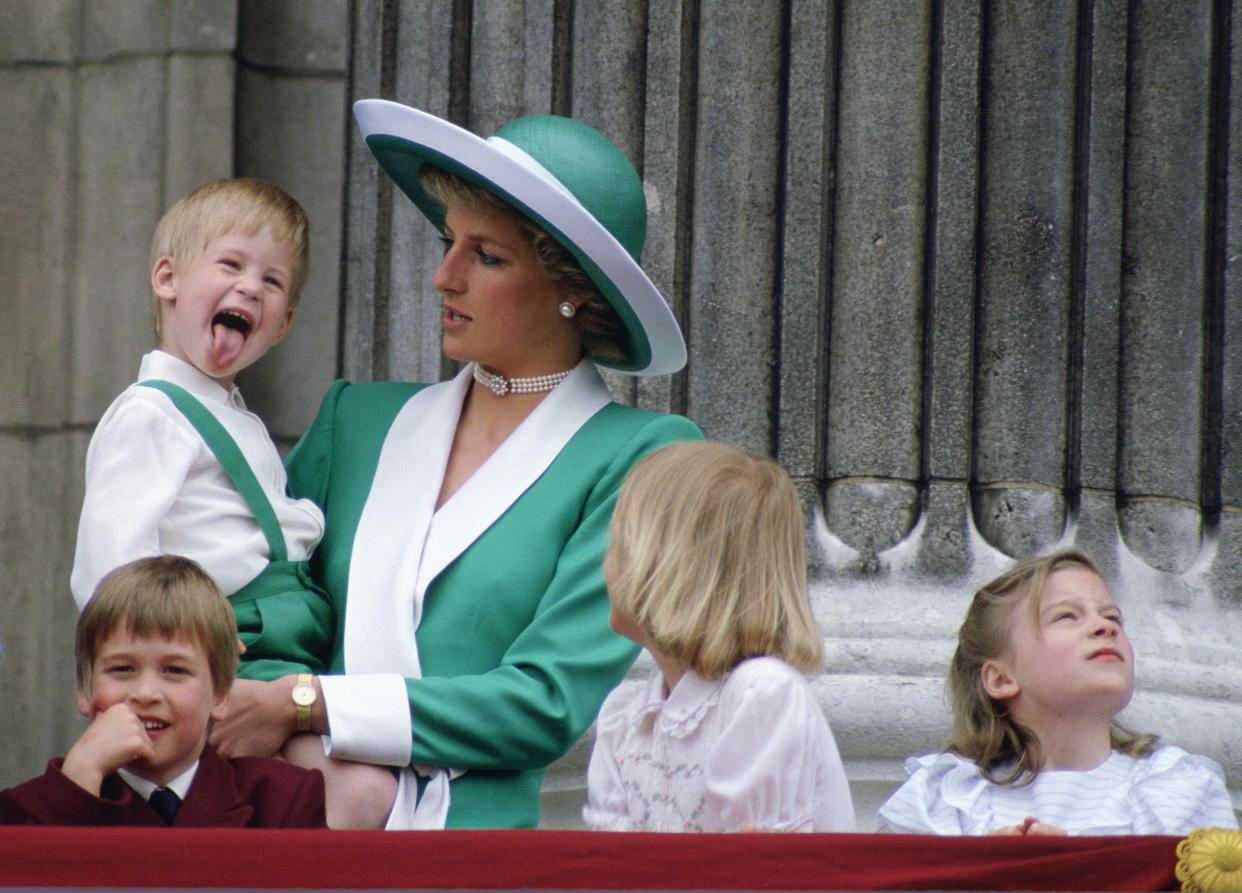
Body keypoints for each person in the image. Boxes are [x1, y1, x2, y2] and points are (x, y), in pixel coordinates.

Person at [209, 100, 702, 830]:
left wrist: (310, 704)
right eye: (449, 241)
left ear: (573, 288)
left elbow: (544, 702)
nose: (443, 276)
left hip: (473, 856)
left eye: (487, 255)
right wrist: (282, 715)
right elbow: (265, 611)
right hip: (290, 823)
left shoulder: (640, 456)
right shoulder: (356, 419)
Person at [70, 178, 334, 682]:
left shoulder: (231, 415)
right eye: (231, 264)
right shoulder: (152, 413)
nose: (251, 286)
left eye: (272, 282)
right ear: (167, 279)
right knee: (339, 762)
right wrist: (171, 655)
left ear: (283, 325)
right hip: (223, 646)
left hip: (277, 638)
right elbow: (108, 564)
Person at [583, 441, 854, 832]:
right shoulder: (626, 717)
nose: (603, 562)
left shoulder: (760, 693)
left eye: (618, 544)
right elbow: (610, 867)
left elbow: (755, 871)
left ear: (664, 564)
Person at [877, 548, 1237, 835]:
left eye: (1113, 618)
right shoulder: (942, 799)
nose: (1102, 627)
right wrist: (976, 870)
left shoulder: (1177, 790)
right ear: (1001, 679)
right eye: (1066, 616)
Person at [0, 556, 325, 827]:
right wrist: (78, 782)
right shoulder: (20, 812)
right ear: (85, 690)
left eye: (175, 670)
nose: (145, 693)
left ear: (221, 695)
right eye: (122, 669)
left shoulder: (283, 799)